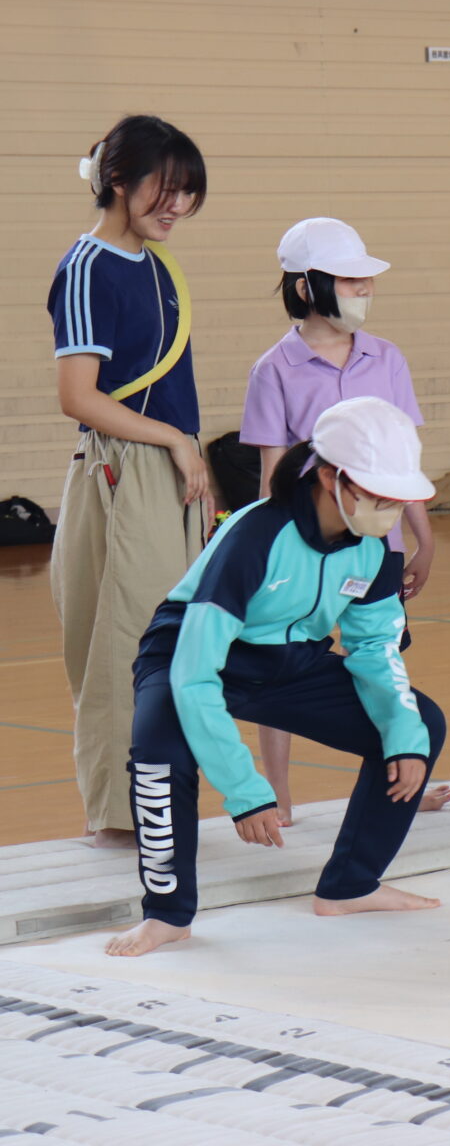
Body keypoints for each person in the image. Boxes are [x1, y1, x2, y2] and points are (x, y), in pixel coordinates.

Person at [106, 397, 447, 957]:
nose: (392, 507)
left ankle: (351, 886)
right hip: (186, 656)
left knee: (421, 723)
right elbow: (195, 673)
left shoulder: (375, 550)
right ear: (332, 477)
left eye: (399, 496)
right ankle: (167, 914)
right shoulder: (257, 534)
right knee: (159, 759)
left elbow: (375, 648)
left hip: (290, 663)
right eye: (380, 492)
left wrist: (405, 738)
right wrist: (245, 792)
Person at [240, 217, 450, 823]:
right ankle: (277, 795)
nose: (364, 291)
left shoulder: (387, 359)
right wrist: (266, 550)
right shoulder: (273, 370)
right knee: (278, 665)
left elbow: (401, 459)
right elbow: (273, 474)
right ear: (308, 287)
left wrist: (424, 539)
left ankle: (403, 775)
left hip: (375, 546)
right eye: (351, 280)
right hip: (303, 551)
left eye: (367, 282)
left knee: (381, 656)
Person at [49, 115, 211, 849]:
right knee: (127, 645)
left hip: (172, 468)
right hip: (127, 469)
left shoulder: (155, 263)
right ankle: (117, 818)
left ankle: (157, 802)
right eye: (164, 189)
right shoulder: (89, 265)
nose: (176, 205)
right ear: (118, 180)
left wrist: (187, 450)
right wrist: (175, 440)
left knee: (178, 642)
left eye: (188, 194)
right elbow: (79, 396)